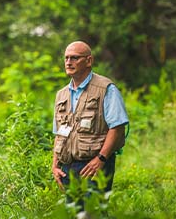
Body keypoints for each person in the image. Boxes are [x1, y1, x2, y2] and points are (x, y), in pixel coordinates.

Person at [51, 41, 129, 208]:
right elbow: (59, 132)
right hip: (67, 168)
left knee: (93, 213)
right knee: (74, 214)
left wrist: (100, 159)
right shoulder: (61, 94)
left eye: (74, 58)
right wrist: (55, 165)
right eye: (66, 58)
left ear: (89, 61)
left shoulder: (106, 88)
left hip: (94, 166)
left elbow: (117, 127)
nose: (68, 62)